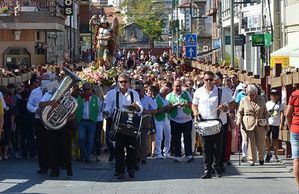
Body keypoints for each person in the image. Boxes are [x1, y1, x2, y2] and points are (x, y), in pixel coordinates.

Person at [103, 73, 143, 179]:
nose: (123, 84)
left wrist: (137, 108)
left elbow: (140, 108)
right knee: (119, 149)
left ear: (129, 83)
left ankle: (130, 168)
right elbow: (107, 107)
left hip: (130, 124)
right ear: (117, 83)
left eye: (125, 82)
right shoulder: (111, 93)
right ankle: (120, 171)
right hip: (117, 124)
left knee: (131, 148)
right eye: (121, 82)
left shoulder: (134, 93)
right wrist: (106, 112)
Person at [192, 71, 230, 179]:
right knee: (205, 148)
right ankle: (207, 170)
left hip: (217, 122)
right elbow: (194, 105)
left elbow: (228, 108)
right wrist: (195, 112)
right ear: (203, 80)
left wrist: (224, 108)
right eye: (206, 79)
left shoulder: (220, 92)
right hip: (204, 122)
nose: (208, 82)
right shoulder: (198, 92)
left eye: (210, 79)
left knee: (217, 147)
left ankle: (217, 167)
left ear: (214, 80)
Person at [39, 81, 73, 177]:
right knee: (52, 149)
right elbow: (40, 104)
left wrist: (67, 117)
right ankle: (55, 170)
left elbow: (71, 113)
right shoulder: (48, 95)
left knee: (65, 148)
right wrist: (50, 103)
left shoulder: (67, 97)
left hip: (64, 126)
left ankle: (68, 167)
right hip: (51, 126)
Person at [237, 84, 268, 166]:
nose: (250, 96)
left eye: (252, 95)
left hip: (260, 123)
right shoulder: (244, 100)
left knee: (261, 142)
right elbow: (240, 112)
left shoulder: (261, 99)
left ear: (256, 93)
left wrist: (266, 122)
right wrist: (238, 120)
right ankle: (252, 159)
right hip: (248, 123)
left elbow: (265, 112)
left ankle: (261, 158)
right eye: (249, 95)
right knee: (251, 142)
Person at [27, 74, 50, 173]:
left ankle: (53, 164)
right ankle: (43, 166)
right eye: (44, 79)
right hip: (39, 120)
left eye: (47, 80)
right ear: (39, 81)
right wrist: (36, 110)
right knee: (41, 144)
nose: (46, 81)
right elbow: (29, 104)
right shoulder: (34, 92)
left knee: (51, 143)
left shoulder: (53, 91)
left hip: (50, 120)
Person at [166, 80, 194, 162]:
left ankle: (189, 155)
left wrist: (184, 104)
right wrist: (174, 106)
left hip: (187, 120)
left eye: (179, 86)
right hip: (175, 120)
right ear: (173, 87)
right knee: (176, 138)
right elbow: (167, 108)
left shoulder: (186, 94)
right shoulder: (169, 96)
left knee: (187, 138)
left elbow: (192, 104)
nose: (178, 88)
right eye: (176, 86)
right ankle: (177, 155)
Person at [76, 82, 99, 163]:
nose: (86, 91)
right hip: (81, 121)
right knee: (81, 138)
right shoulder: (79, 98)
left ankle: (86, 157)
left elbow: (99, 110)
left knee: (90, 140)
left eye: (88, 89)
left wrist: (96, 119)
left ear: (91, 89)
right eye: (84, 89)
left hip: (91, 121)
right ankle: (85, 155)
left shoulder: (96, 98)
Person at [134, 84, 157, 164]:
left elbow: (155, 110)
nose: (137, 92)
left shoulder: (148, 99)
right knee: (134, 138)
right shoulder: (132, 98)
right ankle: (136, 156)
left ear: (143, 91)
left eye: (139, 90)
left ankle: (143, 157)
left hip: (144, 119)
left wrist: (147, 111)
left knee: (144, 139)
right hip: (134, 119)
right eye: (135, 90)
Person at [286, 84, 299, 191]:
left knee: (296, 159)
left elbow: (287, 114)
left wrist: (290, 127)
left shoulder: (294, 95)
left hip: (295, 128)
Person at [265, 89, 284, 162]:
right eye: (272, 95)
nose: (273, 96)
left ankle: (275, 155)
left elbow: (282, 114)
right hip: (268, 123)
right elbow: (265, 113)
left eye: (275, 95)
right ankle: (268, 153)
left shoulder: (280, 104)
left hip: (276, 124)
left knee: (275, 140)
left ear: (278, 96)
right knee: (266, 138)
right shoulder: (267, 103)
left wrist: (281, 124)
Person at [154, 86, 172, 159]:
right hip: (159, 120)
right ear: (163, 92)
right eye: (167, 92)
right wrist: (165, 108)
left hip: (167, 119)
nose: (167, 93)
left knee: (168, 136)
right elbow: (155, 110)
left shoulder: (166, 99)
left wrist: (169, 108)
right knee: (159, 137)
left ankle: (166, 152)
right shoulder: (156, 100)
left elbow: (168, 109)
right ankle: (158, 153)